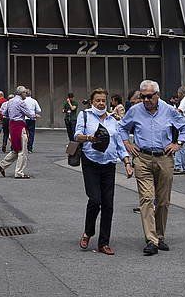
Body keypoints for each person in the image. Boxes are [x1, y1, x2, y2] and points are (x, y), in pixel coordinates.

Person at [120, 79, 185, 256]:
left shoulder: (168, 110)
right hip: (142, 158)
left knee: (163, 201)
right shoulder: (135, 110)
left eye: (149, 97)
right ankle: (151, 240)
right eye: (142, 97)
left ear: (157, 95)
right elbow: (122, 127)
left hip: (164, 158)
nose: (145, 100)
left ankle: (160, 236)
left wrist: (179, 143)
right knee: (146, 198)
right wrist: (127, 144)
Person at [74, 88, 132, 255]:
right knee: (95, 199)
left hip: (109, 164)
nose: (100, 103)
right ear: (92, 101)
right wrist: (89, 138)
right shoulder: (85, 115)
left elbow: (119, 143)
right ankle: (88, 232)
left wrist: (127, 162)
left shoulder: (113, 119)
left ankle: (104, 242)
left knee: (108, 204)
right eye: (97, 100)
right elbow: (77, 135)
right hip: (90, 162)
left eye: (103, 100)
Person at [0, 87, 36, 178]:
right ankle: (19, 172)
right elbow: (29, 114)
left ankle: (2, 164)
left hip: (12, 125)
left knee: (16, 148)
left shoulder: (10, 101)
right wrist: (34, 115)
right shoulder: (21, 102)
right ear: (21, 93)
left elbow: (4, 113)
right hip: (19, 126)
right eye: (25, 92)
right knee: (22, 151)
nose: (26, 94)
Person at [172, 87, 185, 174]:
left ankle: (178, 167)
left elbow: (178, 111)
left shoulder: (184, 101)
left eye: (178, 93)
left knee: (179, 146)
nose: (178, 95)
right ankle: (183, 167)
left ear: (182, 93)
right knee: (184, 148)